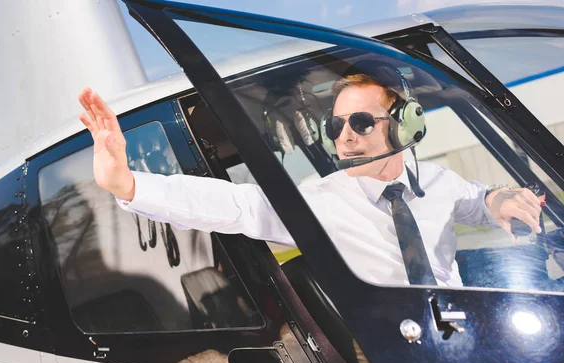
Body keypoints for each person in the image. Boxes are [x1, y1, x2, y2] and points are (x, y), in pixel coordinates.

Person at [77, 72, 542, 287]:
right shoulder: (319, 201)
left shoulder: (438, 180)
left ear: (405, 124)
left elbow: (477, 201)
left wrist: (502, 198)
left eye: (360, 122)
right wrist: (128, 184)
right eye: (336, 127)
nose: (345, 138)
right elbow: (234, 204)